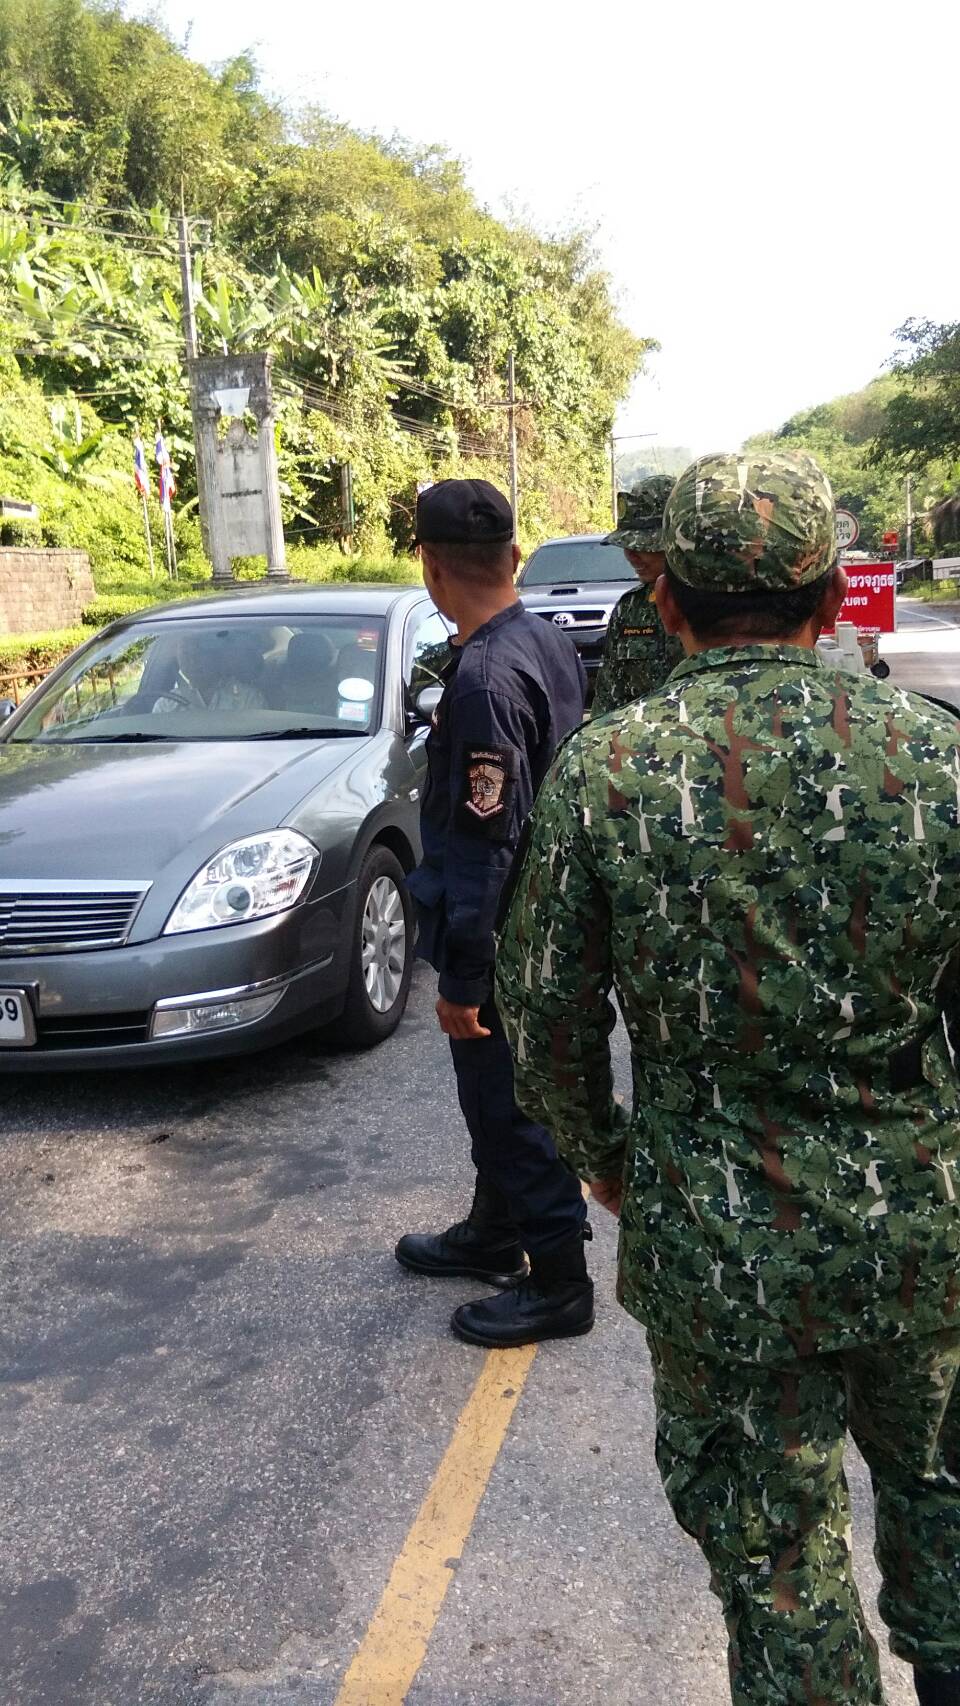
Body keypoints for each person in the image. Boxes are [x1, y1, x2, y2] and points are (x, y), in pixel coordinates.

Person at [496, 449, 960, 1705]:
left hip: (718, 1242)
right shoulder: (937, 758)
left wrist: (605, 1158)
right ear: (832, 597)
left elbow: (543, 1010)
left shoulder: (611, 770)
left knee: (778, 1560)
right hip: (923, 1230)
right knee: (945, 1493)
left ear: (667, 598)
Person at [396, 477, 594, 1349]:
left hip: (506, 936)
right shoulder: (545, 641)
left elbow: (487, 842)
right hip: (544, 918)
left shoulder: (481, 678)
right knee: (496, 1099)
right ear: (514, 556)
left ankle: (558, 1282)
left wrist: (466, 977)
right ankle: (493, 1229)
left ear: (431, 568)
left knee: (508, 1109)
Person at [592, 474, 684, 716]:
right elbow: (608, 698)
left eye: (643, 546)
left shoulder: (716, 600)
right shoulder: (631, 608)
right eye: (627, 546)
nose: (631, 556)